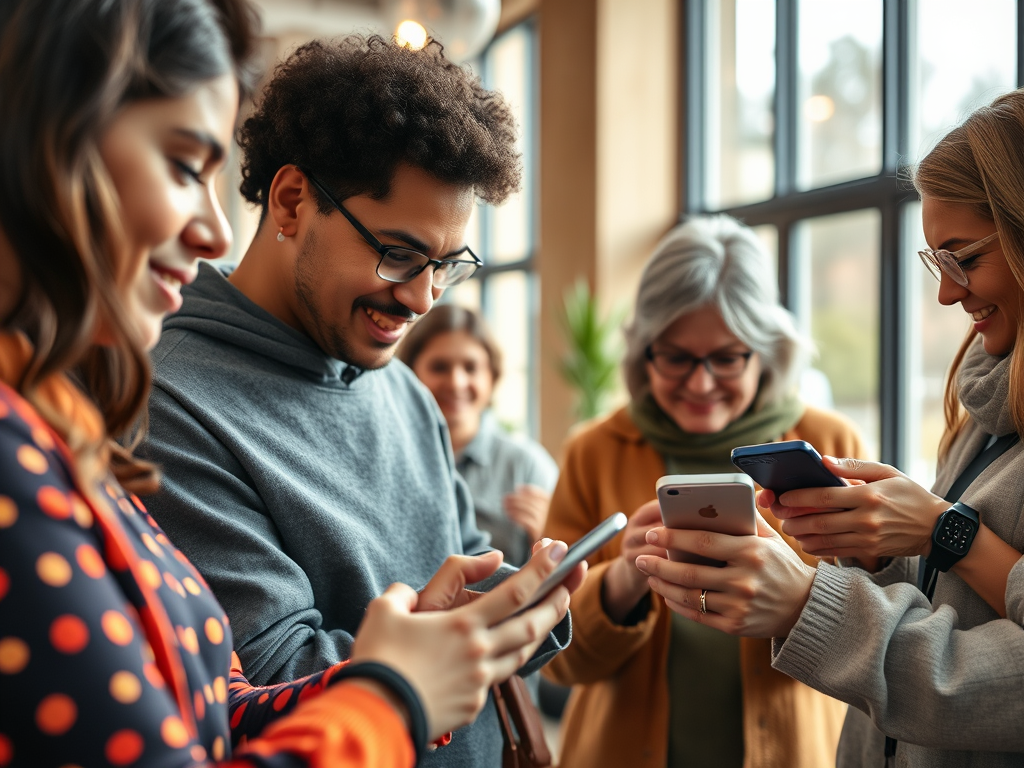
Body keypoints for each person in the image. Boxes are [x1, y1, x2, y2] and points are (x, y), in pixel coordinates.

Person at [0, 2, 582, 765]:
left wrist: (510, 605)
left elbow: (220, 699)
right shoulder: (153, 397)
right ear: (290, 201)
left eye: (446, 266)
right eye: (399, 255)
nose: (423, 298)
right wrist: (405, 686)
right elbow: (264, 681)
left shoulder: (404, 390)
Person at [636, 90, 1024, 767]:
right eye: (937, 262)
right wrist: (876, 551)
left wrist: (808, 601)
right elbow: (944, 603)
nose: (945, 292)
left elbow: (999, 685)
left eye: (963, 257)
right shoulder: (986, 407)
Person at [542, 215, 865, 768]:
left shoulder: (830, 445)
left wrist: (794, 597)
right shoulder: (593, 451)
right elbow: (556, 659)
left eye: (726, 357)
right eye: (675, 357)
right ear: (643, 352)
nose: (700, 382)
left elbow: (879, 634)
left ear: (767, 351)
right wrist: (622, 580)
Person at [398, 304, 558, 568]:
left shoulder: (527, 466)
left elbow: (563, 572)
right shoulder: (390, 454)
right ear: (409, 374)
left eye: (471, 368)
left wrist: (548, 537)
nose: (456, 382)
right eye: (439, 367)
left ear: (492, 377)